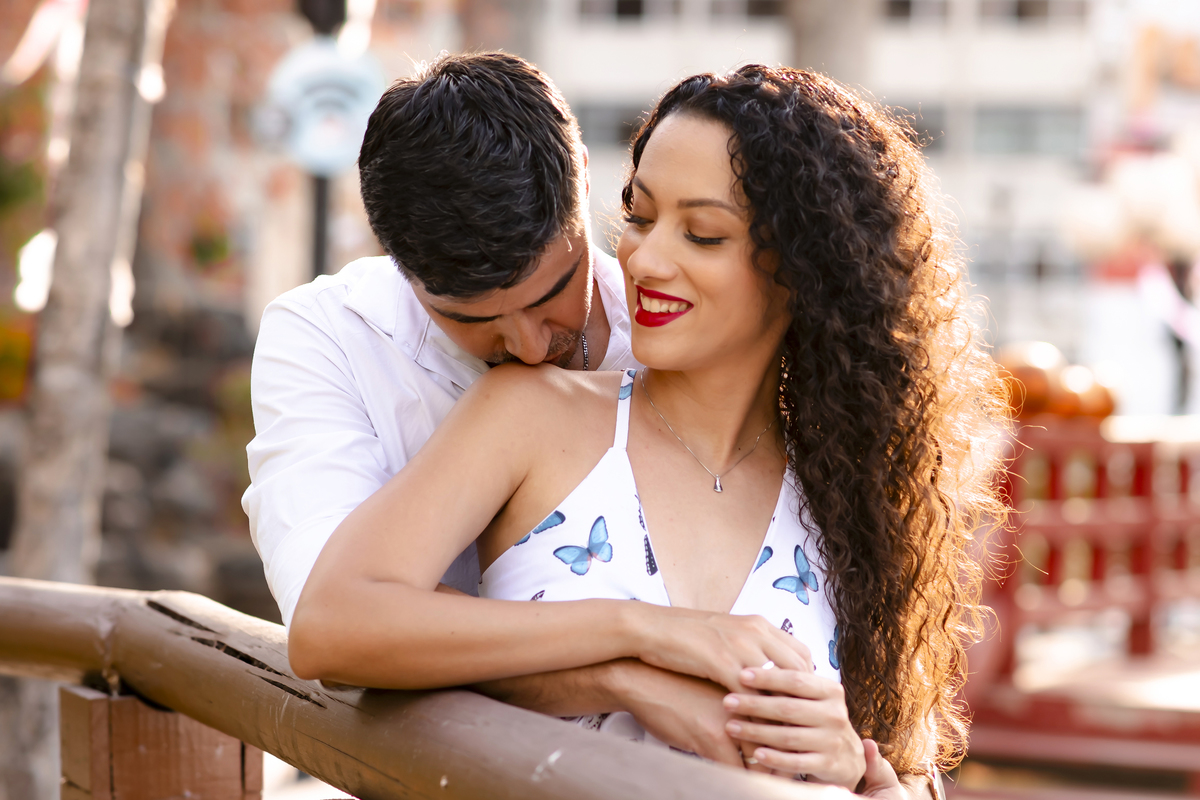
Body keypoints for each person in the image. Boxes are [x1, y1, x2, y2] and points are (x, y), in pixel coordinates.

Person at [290, 65, 1008, 795]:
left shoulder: (845, 490)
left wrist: (858, 773)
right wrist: (643, 641)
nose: (645, 259)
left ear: (805, 267)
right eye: (639, 216)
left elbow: (902, 763)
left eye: (702, 234)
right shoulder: (531, 413)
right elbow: (331, 626)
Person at [244, 53, 758, 761]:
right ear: (399, 262)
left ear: (585, 179)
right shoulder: (327, 337)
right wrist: (629, 654)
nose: (528, 346)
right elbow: (335, 630)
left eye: (552, 294)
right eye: (472, 320)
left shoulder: (684, 327)